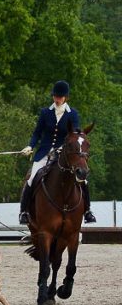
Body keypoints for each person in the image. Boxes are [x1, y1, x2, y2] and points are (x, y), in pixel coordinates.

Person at [18, 80, 95, 225]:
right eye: (55, 96)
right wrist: (30, 146)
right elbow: (37, 133)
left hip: (63, 153)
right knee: (31, 177)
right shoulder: (45, 112)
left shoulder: (72, 114)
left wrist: (65, 147)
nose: (57, 99)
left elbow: (75, 133)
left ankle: (88, 211)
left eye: (60, 97)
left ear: (65, 97)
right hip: (44, 152)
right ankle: (23, 212)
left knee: (83, 179)